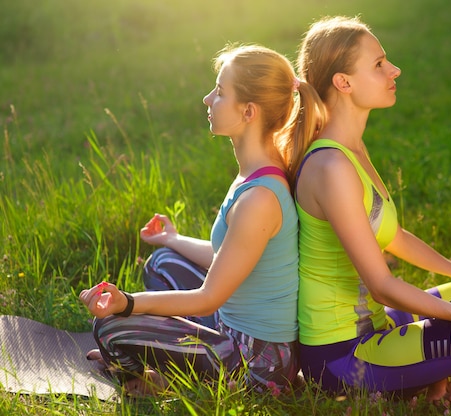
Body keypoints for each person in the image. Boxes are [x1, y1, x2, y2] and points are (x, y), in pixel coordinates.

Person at [293, 16, 451, 403]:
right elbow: (382, 286)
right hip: (342, 357)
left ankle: (425, 376)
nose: (394, 70)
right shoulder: (331, 167)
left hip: (375, 325)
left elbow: (392, 236)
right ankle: (421, 382)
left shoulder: (350, 148)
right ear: (343, 82)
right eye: (378, 64)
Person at [79, 44, 323, 396]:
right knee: (162, 261)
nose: (208, 99)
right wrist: (173, 240)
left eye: (220, 92)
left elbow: (208, 297)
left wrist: (128, 303)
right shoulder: (255, 174)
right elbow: (230, 261)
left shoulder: (260, 198)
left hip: (258, 364)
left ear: (249, 111)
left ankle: (152, 381)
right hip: (233, 328)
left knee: (110, 328)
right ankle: (157, 355)